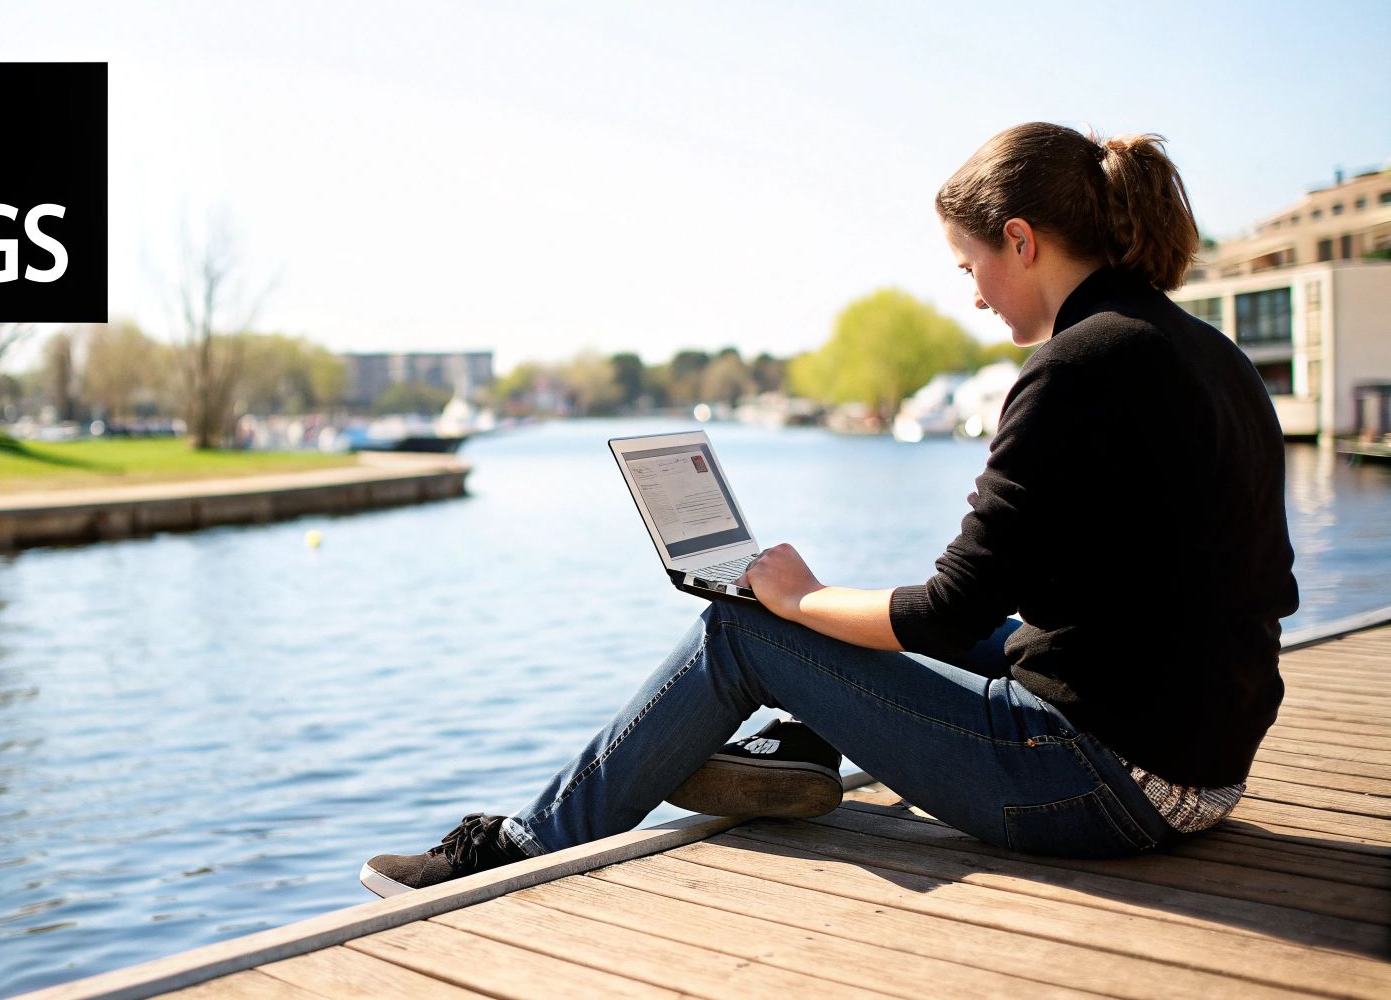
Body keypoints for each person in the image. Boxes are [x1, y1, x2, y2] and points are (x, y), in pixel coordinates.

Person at [360, 122, 1298, 898]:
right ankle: (803, 741)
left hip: (1101, 785)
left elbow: (946, 612)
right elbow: (1241, 588)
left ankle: (528, 842)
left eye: (968, 263)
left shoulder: (1075, 367)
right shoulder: (1207, 353)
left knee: (744, 633)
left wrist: (801, 604)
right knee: (913, 633)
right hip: (1206, 768)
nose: (970, 294)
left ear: (1021, 240)